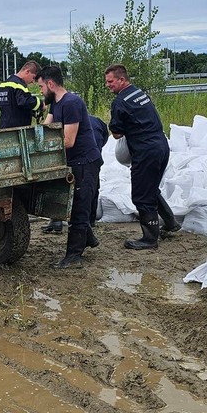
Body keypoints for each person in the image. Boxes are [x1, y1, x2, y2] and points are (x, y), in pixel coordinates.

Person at [37, 65, 102, 269]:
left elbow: (68, 141)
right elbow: (46, 128)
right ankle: (88, 239)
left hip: (85, 162)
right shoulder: (55, 103)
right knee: (74, 205)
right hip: (74, 161)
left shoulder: (71, 103)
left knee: (79, 210)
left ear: (50, 84)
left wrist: (44, 146)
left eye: (40, 87)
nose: (39, 91)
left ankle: (73, 257)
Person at [104, 64, 175, 249]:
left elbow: (117, 134)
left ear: (121, 79)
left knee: (142, 195)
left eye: (110, 81)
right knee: (150, 188)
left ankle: (150, 239)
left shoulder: (120, 102)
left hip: (145, 151)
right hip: (161, 145)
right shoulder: (138, 93)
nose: (107, 85)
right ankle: (171, 223)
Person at [42, 113, 107, 242]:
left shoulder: (66, 122)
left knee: (62, 187)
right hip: (93, 156)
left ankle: (57, 221)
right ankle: (90, 220)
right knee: (92, 189)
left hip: (78, 157)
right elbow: (105, 137)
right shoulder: (96, 121)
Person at [0, 61, 44, 129]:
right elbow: (25, 102)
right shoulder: (19, 85)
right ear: (27, 71)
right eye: (33, 77)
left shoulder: (3, 85)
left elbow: (13, 107)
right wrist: (41, 104)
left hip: (3, 127)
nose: (33, 82)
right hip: (17, 130)